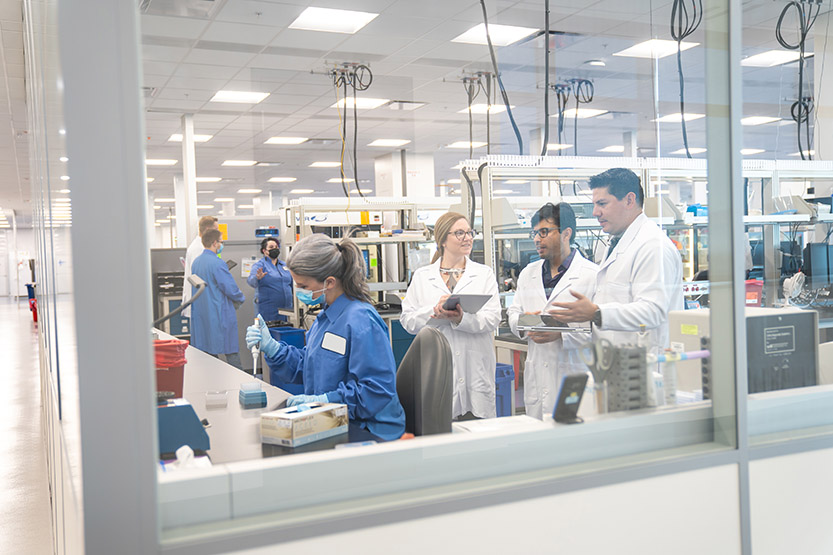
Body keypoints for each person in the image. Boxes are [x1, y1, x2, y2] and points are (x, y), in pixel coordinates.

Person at [245, 234, 405, 441]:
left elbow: (377, 389)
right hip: (335, 419)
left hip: (368, 429)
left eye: (303, 286)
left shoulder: (361, 321)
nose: (298, 292)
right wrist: (274, 349)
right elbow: (311, 366)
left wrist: (326, 401)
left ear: (329, 282)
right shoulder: (326, 318)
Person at [549, 168, 683, 350]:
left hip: (645, 365)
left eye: (602, 204)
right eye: (595, 204)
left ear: (629, 200)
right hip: (615, 362)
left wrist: (596, 313)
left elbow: (653, 312)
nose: (595, 212)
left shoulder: (652, 246)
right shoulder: (616, 243)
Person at [400, 212, 501, 420]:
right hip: (436, 371)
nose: (468, 238)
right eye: (460, 233)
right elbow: (408, 321)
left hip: (475, 372)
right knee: (438, 432)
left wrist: (460, 319)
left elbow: (493, 318)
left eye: (470, 232)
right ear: (443, 240)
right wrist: (434, 312)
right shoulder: (422, 276)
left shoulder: (484, 274)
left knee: (477, 435)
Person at [507, 203, 599, 419]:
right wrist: (524, 322)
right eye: (535, 233)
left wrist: (561, 333)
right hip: (538, 377)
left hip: (574, 375)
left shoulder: (592, 275)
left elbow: (601, 330)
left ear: (566, 233)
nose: (537, 239)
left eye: (544, 232)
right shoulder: (528, 273)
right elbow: (513, 312)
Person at [190, 228, 246, 369]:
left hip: (203, 314)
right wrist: (240, 298)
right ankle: (238, 382)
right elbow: (230, 289)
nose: (222, 244)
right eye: (221, 242)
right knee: (231, 352)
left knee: (208, 353)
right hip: (220, 313)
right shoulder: (217, 263)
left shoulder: (196, 262)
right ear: (215, 243)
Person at [246, 237, 293, 322]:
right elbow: (251, 281)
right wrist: (257, 277)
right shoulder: (260, 265)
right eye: (271, 247)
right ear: (264, 251)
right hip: (268, 310)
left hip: (287, 309)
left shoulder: (284, 265)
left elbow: (292, 283)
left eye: (276, 247)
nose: (275, 249)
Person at [182, 215, 218, 319]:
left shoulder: (202, 246)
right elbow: (199, 276)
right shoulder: (198, 249)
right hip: (199, 302)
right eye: (216, 229)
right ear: (208, 229)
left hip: (202, 302)